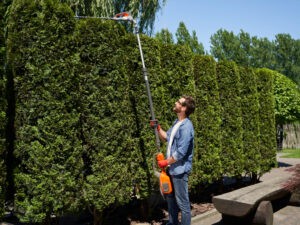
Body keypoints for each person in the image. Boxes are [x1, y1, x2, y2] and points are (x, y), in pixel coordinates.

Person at [151, 95, 196, 225]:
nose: (175, 103)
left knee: (183, 203)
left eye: (178, 102)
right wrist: (158, 128)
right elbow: (167, 137)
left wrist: (166, 162)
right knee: (170, 199)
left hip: (180, 171)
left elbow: (181, 152)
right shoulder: (177, 123)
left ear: (183, 108)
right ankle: (173, 222)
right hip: (171, 169)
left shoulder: (187, 127)